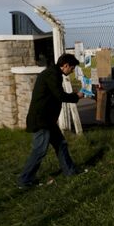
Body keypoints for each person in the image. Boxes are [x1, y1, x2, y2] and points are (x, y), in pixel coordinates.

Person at [18, 54, 85, 189]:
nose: (72, 71)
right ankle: (24, 180)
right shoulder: (52, 75)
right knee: (40, 150)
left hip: (47, 120)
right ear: (65, 65)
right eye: (71, 68)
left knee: (61, 144)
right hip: (41, 120)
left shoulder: (53, 73)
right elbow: (59, 95)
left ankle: (70, 171)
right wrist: (76, 96)